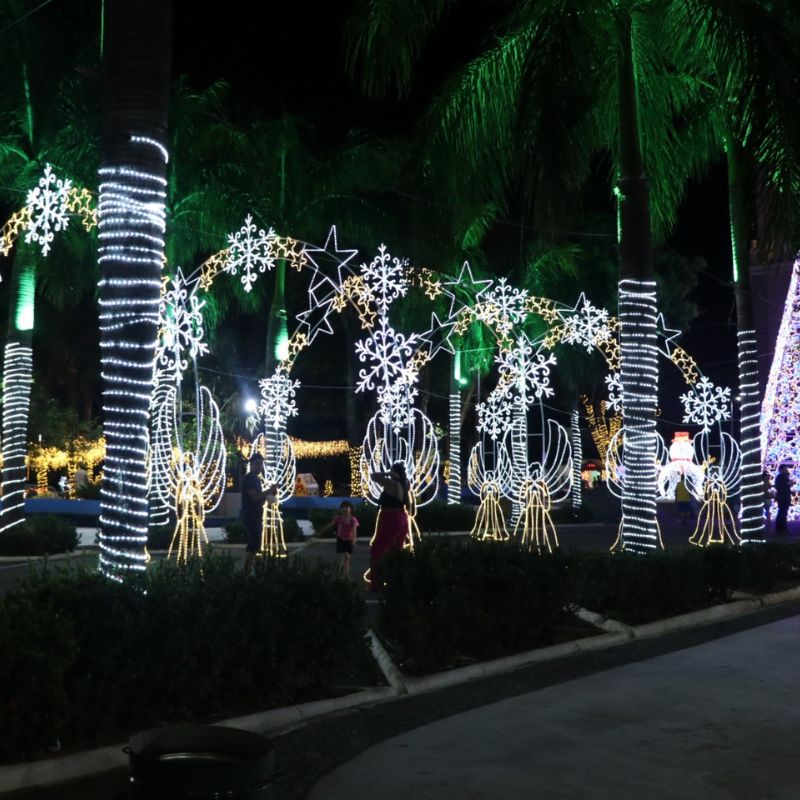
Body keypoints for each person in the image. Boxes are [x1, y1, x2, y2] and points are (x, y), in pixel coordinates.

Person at [368, 461, 410, 591]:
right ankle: (395, 580)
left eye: (391, 470)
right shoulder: (405, 483)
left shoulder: (391, 483)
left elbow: (373, 476)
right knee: (396, 551)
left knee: (377, 550)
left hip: (391, 519)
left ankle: (376, 583)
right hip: (402, 518)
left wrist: (387, 473)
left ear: (394, 472)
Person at [319, 500, 359, 577]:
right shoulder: (339, 518)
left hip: (349, 540)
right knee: (346, 557)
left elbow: (354, 531)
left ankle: (340, 570)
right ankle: (346, 577)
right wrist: (322, 530)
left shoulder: (353, 520)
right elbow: (330, 525)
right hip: (341, 539)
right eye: (343, 508)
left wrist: (354, 540)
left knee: (346, 559)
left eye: (347, 507)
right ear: (341, 510)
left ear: (350, 509)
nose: (345, 509)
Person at [241, 453, 266, 575]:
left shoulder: (256, 479)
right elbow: (255, 496)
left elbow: (259, 499)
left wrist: (268, 496)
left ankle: (250, 570)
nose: (259, 467)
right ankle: (246, 572)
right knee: (254, 544)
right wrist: (269, 490)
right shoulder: (249, 479)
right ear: (251, 464)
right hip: (250, 516)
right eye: (257, 464)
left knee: (255, 544)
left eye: (261, 464)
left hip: (256, 515)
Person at [774, 464, 792, 536]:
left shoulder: (783, 476)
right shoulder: (781, 477)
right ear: (781, 469)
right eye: (785, 469)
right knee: (782, 512)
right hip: (783, 497)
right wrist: (789, 483)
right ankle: (781, 528)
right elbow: (781, 486)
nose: (786, 470)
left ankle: (780, 528)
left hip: (784, 497)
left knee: (782, 512)